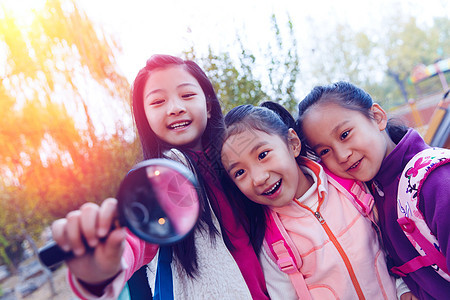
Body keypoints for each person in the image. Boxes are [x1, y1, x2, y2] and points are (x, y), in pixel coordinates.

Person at [50, 54, 269, 299]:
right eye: (158, 102)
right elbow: (131, 243)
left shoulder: (241, 164)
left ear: (208, 105)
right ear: (144, 117)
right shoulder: (153, 183)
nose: (175, 108)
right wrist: (99, 269)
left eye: (187, 95)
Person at [220, 102, 400, 299]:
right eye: (240, 172)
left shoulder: (348, 184)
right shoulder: (272, 241)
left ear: (293, 143)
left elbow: (393, 242)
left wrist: (403, 288)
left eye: (263, 155)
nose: (258, 177)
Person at [296, 81, 450, 299]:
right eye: (325, 150)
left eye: (345, 134)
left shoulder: (436, 181)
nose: (341, 155)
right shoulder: (369, 196)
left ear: (377, 117)